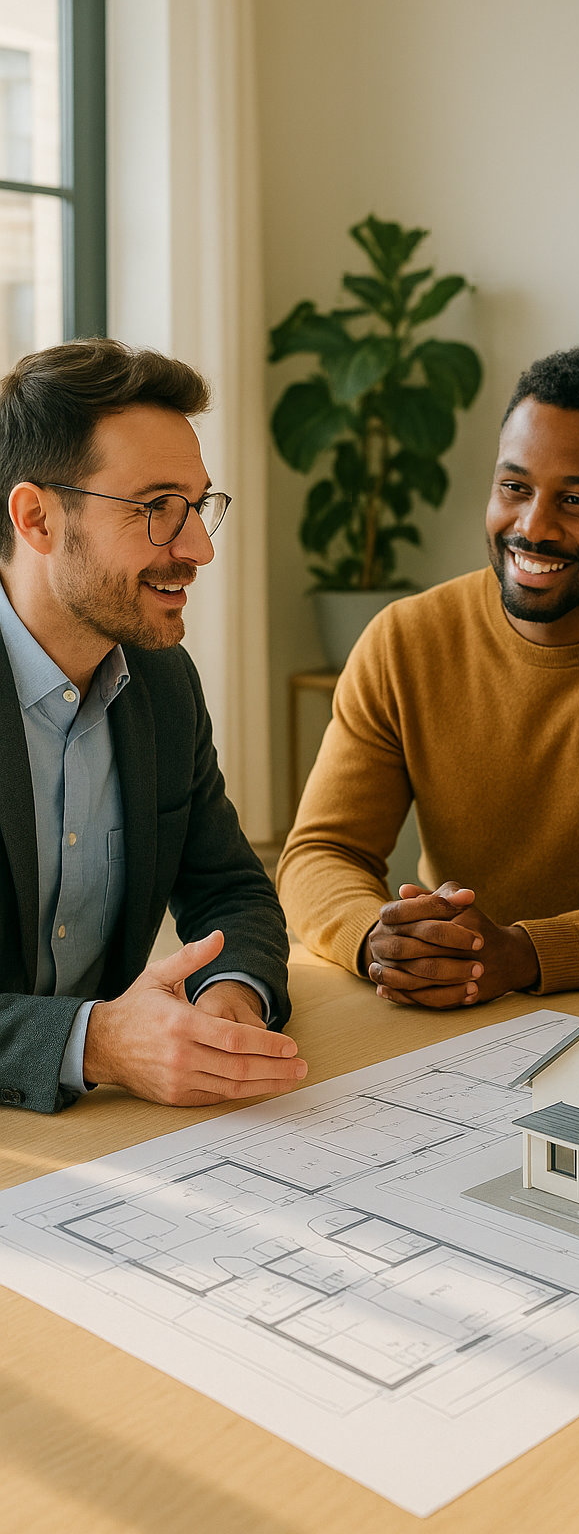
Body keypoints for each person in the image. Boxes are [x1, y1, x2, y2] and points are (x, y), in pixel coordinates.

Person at [278, 348, 579, 1006]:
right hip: (454, 1008)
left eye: (576, 500)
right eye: (515, 488)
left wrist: (522, 952)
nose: (533, 527)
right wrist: (381, 938)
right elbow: (320, 852)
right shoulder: (404, 640)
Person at [0, 339, 306, 1115]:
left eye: (198, 506)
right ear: (36, 518)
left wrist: (228, 1001)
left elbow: (230, 887)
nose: (198, 548)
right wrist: (96, 1042)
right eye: (157, 509)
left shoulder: (161, 680)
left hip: (106, 1136)